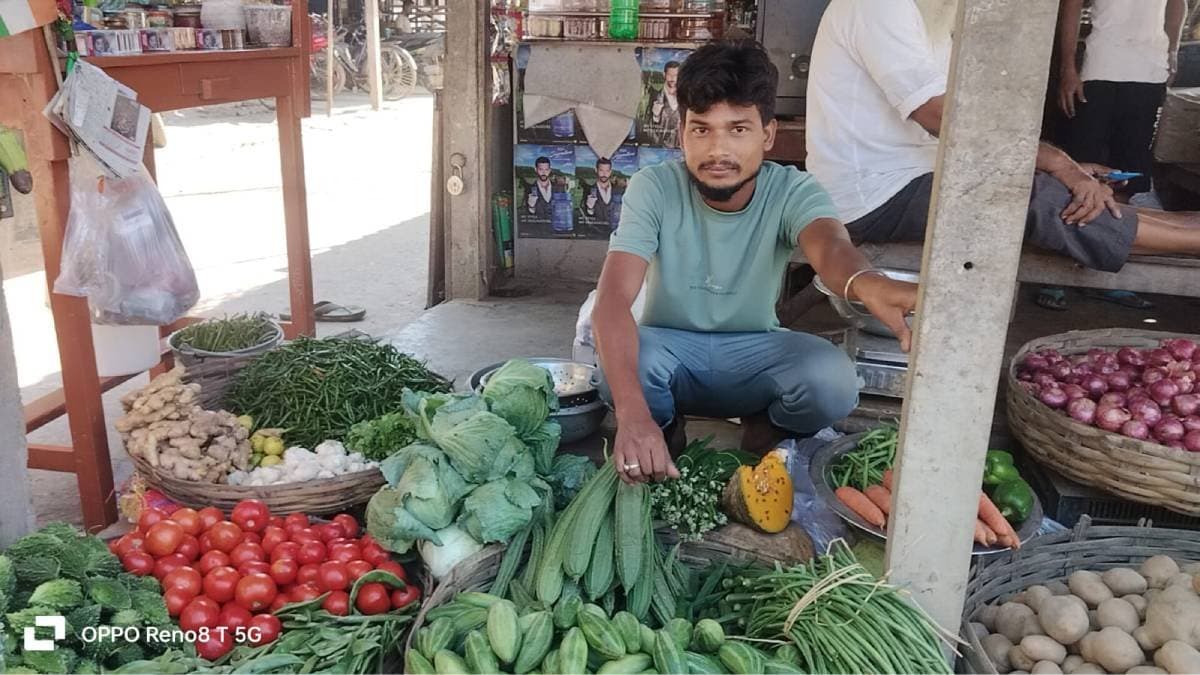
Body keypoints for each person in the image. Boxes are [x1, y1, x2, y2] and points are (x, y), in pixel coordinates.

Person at [592, 40, 918, 484]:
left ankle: (764, 431)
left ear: (767, 134)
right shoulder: (654, 187)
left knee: (832, 379)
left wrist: (864, 281)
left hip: (754, 354)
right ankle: (662, 430)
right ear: (681, 132)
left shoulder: (792, 190)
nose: (717, 150)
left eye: (738, 129)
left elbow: (829, 246)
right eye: (701, 129)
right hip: (670, 353)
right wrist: (632, 415)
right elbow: (612, 298)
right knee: (619, 366)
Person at [805, 0, 1200, 286]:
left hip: (916, 172)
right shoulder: (877, 6)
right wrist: (1057, 163)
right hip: (872, 195)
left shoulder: (928, 15)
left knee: (1046, 185)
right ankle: (1190, 239)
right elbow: (941, 116)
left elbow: (973, 128)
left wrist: (1058, 167)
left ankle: (1183, 227)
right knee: (1022, 198)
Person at [1040, 0, 1188, 311]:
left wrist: (1172, 51)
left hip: (1149, 69)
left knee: (1127, 174)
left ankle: (1101, 270)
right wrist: (1068, 68)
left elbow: (1177, 4)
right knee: (1079, 171)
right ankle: (1055, 270)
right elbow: (1071, 7)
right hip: (1100, 67)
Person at [648, 61, 682, 148]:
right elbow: (646, 132)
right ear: (664, 74)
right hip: (660, 149)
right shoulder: (653, 96)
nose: (672, 78)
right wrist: (655, 116)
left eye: (676, 75)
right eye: (670, 75)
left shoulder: (687, 97)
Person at [584, 157, 619, 226]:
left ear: (610, 171)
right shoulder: (588, 190)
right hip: (596, 231)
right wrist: (590, 208)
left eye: (607, 171)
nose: (604, 174)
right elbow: (585, 218)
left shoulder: (618, 190)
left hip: (615, 230)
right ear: (596, 170)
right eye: (601, 170)